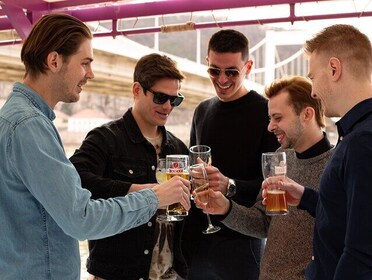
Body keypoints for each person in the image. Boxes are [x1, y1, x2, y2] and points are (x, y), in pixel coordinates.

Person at [0, 14, 191, 279]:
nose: (91, 74)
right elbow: (81, 218)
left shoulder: (16, 119)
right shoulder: (30, 126)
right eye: (85, 63)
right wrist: (155, 197)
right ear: (54, 61)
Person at [264, 24, 372, 279]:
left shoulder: (367, 141)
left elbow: (364, 255)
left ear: (334, 69)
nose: (312, 91)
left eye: (313, 77)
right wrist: (306, 197)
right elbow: (353, 214)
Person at [196, 76, 334, 280]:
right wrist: (225, 208)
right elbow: (262, 223)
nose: (270, 127)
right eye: (270, 118)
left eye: (277, 118)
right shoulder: (280, 157)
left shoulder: (336, 166)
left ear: (307, 114)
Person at [69, 53, 189, 280]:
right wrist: (144, 191)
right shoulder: (104, 138)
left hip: (170, 274)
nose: (167, 106)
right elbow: (74, 180)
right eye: (160, 97)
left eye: (175, 100)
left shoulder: (179, 147)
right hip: (116, 273)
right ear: (137, 90)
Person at [182, 29, 280, 280]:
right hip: (199, 241)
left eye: (231, 72)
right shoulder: (202, 110)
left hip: (243, 242)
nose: (222, 79)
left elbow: (275, 185)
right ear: (207, 63)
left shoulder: (265, 112)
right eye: (214, 71)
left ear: (248, 66)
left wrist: (230, 185)